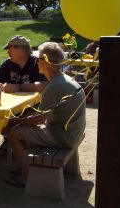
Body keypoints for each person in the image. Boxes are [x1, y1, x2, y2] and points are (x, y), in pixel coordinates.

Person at [5, 42, 86, 187]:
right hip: (73, 133)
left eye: (38, 59)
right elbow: (43, 116)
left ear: (46, 62)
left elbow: (38, 119)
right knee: (22, 125)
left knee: (13, 132)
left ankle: (27, 177)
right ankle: (27, 166)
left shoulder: (53, 86)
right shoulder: (64, 79)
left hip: (63, 137)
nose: (36, 62)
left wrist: (13, 121)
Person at [0, 35, 48, 155]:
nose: (8, 52)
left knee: (17, 120)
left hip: (33, 107)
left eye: (10, 49)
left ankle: (15, 143)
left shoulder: (36, 63)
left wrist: (19, 87)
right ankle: (10, 141)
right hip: (10, 106)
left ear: (21, 50)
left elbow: (43, 84)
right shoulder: (7, 64)